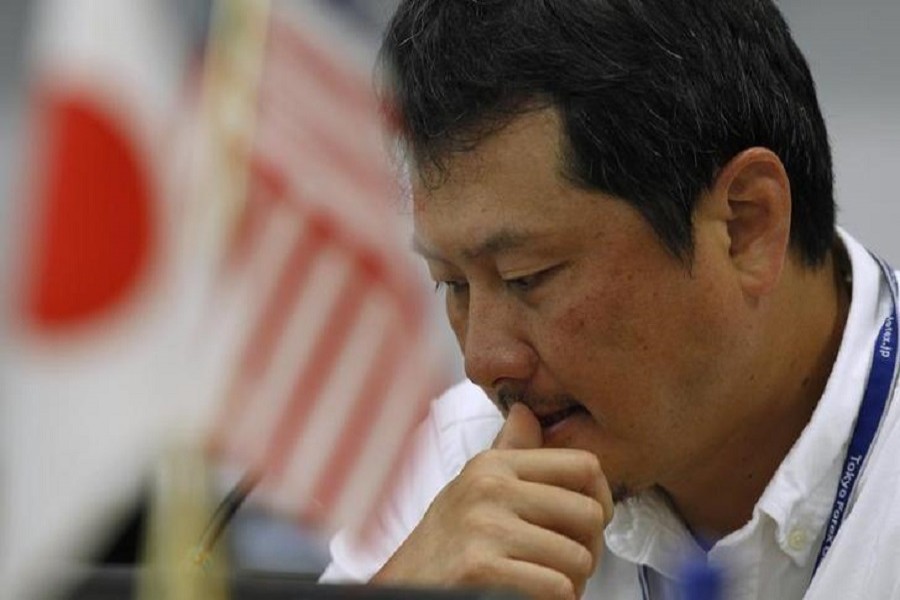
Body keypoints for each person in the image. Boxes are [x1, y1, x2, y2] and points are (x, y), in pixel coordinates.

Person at [320, 1, 900, 598]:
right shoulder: (460, 465)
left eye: (528, 277)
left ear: (744, 226)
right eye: (453, 284)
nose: (483, 362)